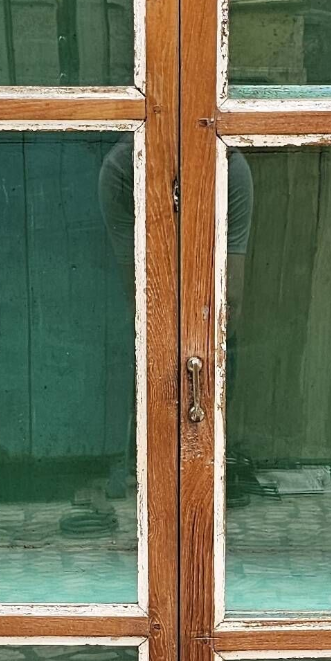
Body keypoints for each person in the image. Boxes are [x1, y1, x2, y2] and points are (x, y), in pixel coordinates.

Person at [98, 140, 252, 495]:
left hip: (205, 286)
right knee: (150, 337)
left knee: (217, 336)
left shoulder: (232, 171)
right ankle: (153, 478)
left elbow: (230, 299)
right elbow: (144, 298)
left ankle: (203, 478)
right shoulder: (122, 170)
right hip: (157, 284)